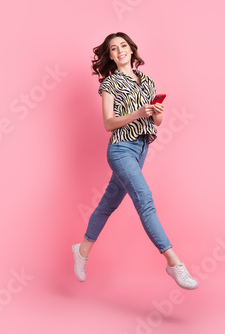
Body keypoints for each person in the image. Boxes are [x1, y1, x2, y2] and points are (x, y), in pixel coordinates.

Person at [72, 32, 198, 290]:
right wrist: (138, 112)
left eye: (123, 46)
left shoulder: (147, 81)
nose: (120, 51)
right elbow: (108, 123)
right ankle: (174, 263)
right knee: (145, 199)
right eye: (113, 49)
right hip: (120, 150)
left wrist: (156, 113)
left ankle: (82, 249)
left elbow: (155, 123)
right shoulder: (110, 84)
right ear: (110, 56)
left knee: (108, 203)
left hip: (141, 149)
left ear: (131, 49)